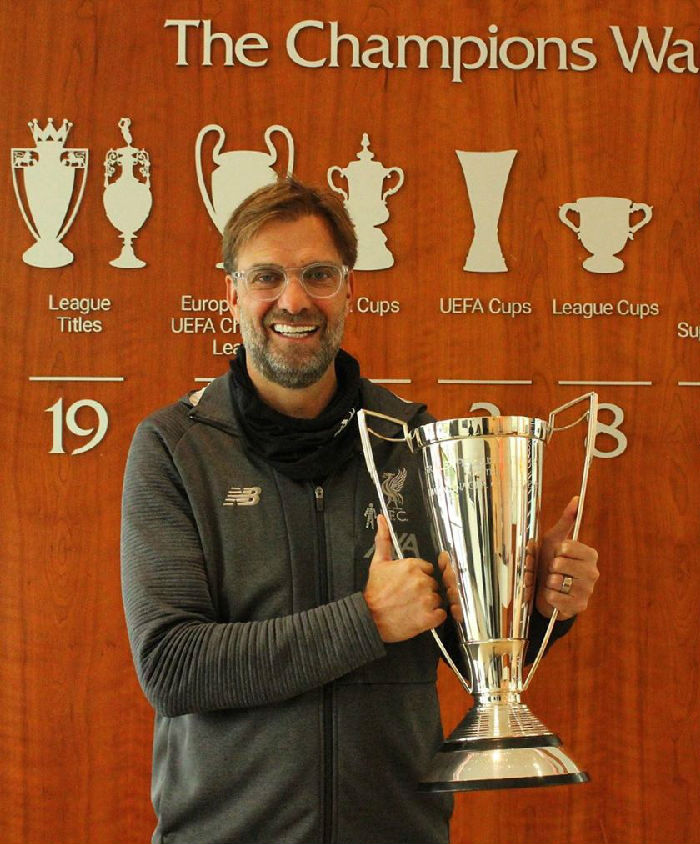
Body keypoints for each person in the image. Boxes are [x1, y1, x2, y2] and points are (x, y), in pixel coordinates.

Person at [121, 177, 600, 844]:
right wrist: (366, 620)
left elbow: (464, 648)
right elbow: (172, 666)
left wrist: (536, 603)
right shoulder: (175, 447)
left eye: (318, 275)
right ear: (231, 294)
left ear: (350, 289)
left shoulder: (412, 439)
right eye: (267, 277)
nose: (294, 300)